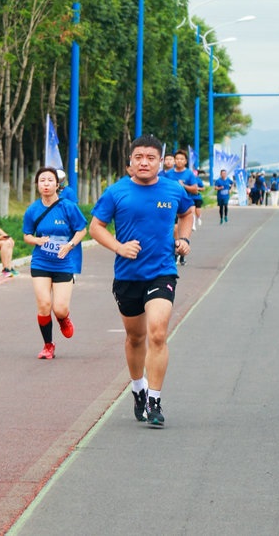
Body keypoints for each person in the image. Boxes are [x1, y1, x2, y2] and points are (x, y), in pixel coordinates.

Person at [89, 135, 194, 428]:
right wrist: (119, 247)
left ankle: (154, 401)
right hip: (128, 275)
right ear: (131, 161)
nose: (144, 162)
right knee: (135, 337)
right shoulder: (116, 192)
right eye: (139, 157)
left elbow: (187, 213)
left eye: (150, 158)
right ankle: (138, 389)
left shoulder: (173, 189)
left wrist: (184, 239)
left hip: (162, 271)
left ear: (160, 161)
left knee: (157, 333)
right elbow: (96, 227)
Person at [22, 167, 88, 360]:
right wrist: (37, 240)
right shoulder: (33, 209)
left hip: (63, 263)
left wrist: (70, 245)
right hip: (41, 262)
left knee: (59, 308)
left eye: (50, 180)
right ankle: (48, 345)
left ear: (57, 185)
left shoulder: (68, 207)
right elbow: (27, 235)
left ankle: (63, 318)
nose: (46, 184)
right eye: (42, 180)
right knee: (44, 305)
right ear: (37, 185)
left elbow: (82, 230)